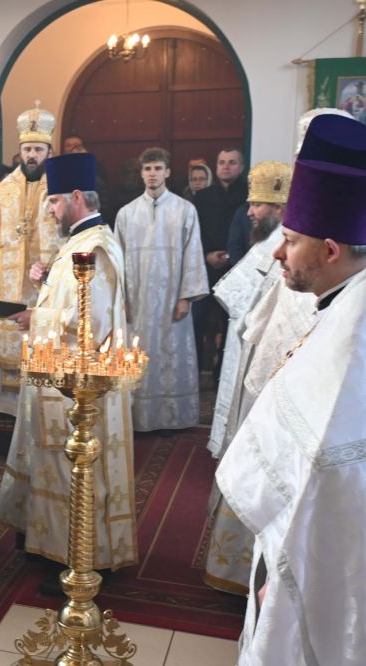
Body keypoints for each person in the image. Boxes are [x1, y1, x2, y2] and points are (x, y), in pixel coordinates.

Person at [216, 113, 366, 665]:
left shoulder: (354, 335)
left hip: (319, 565)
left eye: (290, 240)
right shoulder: (345, 304)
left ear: (329, 251)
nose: (278, 254)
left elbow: (330, 473)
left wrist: (284, 575)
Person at [0, 153, 136, 586]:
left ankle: (78, 562)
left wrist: (33, 317)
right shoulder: (80, 242)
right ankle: (51, 545)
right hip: (60, 376)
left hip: (80, 383)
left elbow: (92, 322)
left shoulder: (95, 248)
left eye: (54, 202)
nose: (51, 211)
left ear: (76, 197)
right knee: (54, 464)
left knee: (74, 468)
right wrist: (43, 287)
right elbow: (72, 300)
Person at [204, 160, 297, 595]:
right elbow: (235, 299)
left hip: (267, 371)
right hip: (249, 360)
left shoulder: (283, 248)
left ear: (278, 208)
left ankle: (247, 571)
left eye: (258, 204)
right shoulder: (270, 246)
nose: (251, 212)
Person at [0, 103, 60, 416]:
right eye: (27, 149)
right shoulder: (3, 190)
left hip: (46, 282)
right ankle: (9, 407)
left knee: (43, 338)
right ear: (20, 152)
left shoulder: (60, 187)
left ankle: (42, 406)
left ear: (49, 151)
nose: (32, 155)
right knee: (10, 335)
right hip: (10, 282)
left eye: (38, 149)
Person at [115, 147, 208, 433]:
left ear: (167, 171)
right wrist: (122, 299)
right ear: (141, 173)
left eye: (157, 168)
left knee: (171, 356)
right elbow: (117, 259)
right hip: (138, 300)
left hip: (171, 299)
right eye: (147, 169)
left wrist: (185, 296)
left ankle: (171, 418)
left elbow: (193, 253)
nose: (152, 174)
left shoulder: (185, 210)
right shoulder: (126, 214)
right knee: (138, 352)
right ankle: (138, 418)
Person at [192, 148, 248, 375]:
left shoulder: (248, 196)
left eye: (232, 162)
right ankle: (195, 371)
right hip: (205, 268)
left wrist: (230, 256)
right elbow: (195, 232)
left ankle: (222, 374)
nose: (226, 166)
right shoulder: (202, 197)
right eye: (222, 162)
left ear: (241, 167)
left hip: (237, 268)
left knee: (230, 324)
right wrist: (207, 254)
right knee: (197, 320)